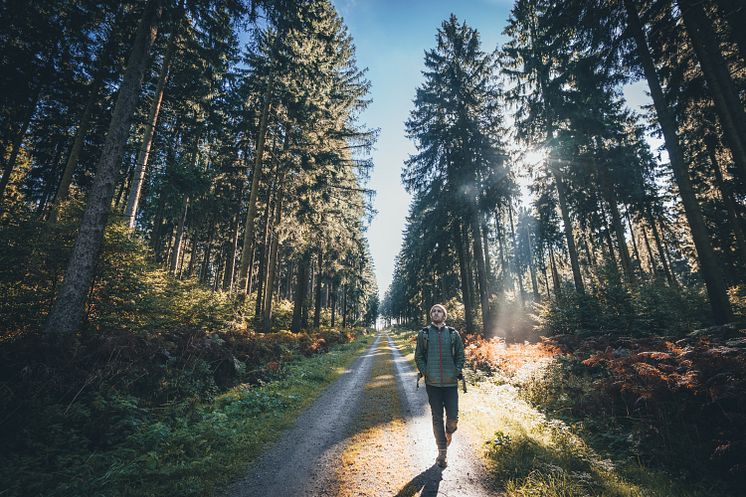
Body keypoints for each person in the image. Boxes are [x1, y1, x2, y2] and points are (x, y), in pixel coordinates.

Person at [414, 303, 465, 468]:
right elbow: (419, 355)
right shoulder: (424, 334)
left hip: (450, 383)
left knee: (453, 418)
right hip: (433, 383)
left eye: (439, 311)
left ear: (444, 315)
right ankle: (442, 453)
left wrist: (456, 370)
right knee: (437, 417)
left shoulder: (453, 334)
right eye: (433, 311)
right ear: (431, 315)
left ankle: (449, 432)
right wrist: (426, 371)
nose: (436, 313)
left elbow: (460, 355)